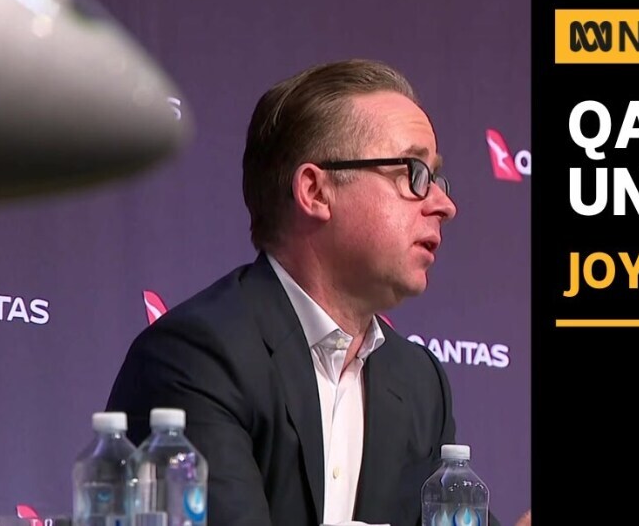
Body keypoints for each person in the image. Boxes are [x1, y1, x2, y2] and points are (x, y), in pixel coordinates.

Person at [107, 59, 526, 526]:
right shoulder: (196, 357)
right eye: (414, 173)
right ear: (315, 191)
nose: (445, 205)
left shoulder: (419, 383)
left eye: (436, 177)